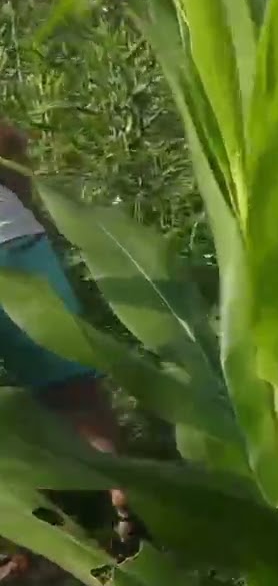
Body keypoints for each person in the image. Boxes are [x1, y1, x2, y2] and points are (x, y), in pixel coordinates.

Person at [0, 121, 137, 581]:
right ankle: (132, 515)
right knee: (76, 393)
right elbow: (10, 142)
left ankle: (19, 551)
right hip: (14, 240)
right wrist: (23, 204)